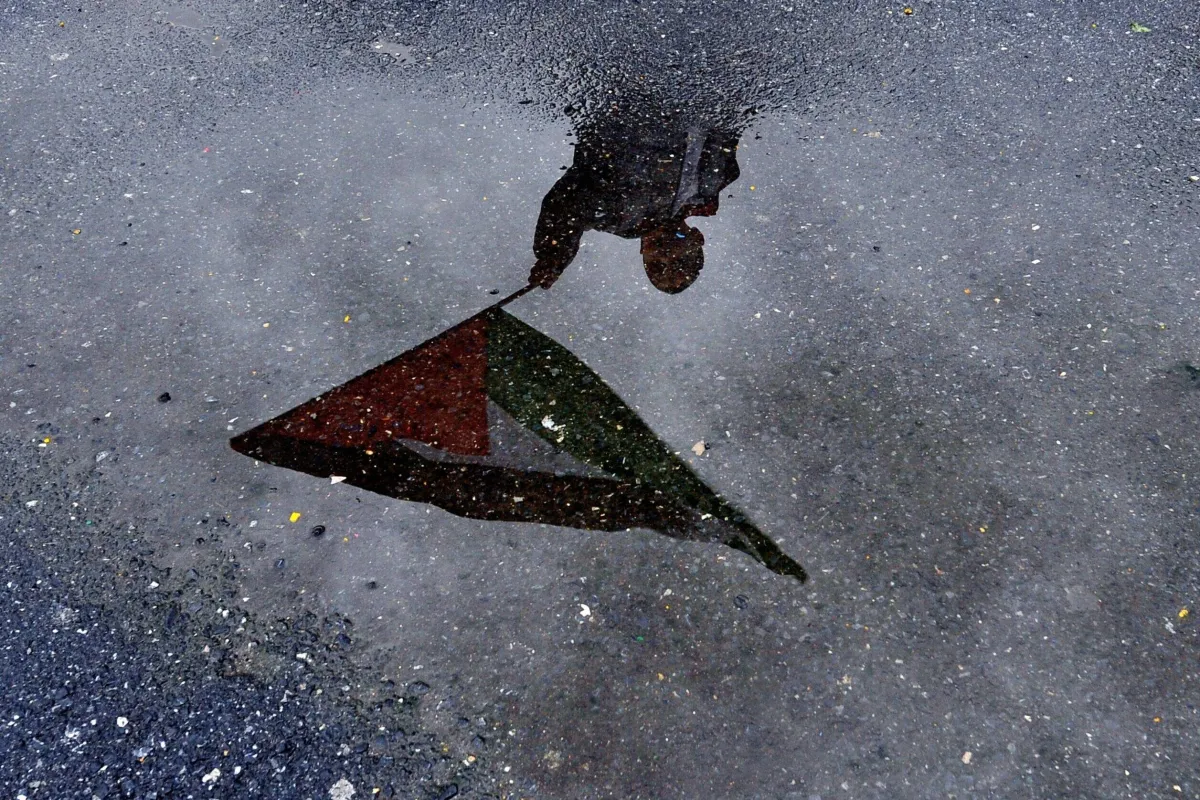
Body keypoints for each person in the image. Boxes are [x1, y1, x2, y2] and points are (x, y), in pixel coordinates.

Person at [529, 111, 741, 294]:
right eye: (679, 261)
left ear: (643, 253)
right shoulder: (714, 182)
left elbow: (567, 206)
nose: (665, 256)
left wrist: (554, 255)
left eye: (657, 266)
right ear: (697, 238)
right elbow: (730, 121)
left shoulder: (621, 219)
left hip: (627, 93)